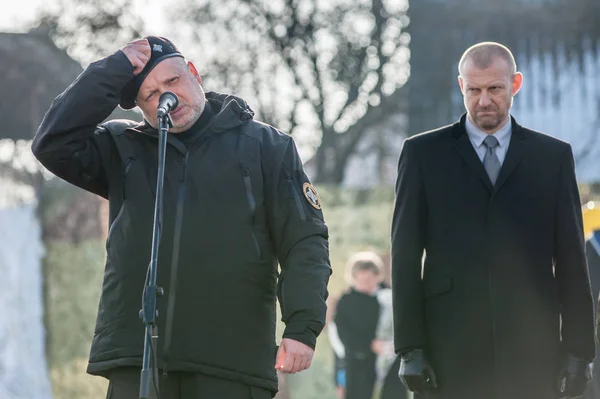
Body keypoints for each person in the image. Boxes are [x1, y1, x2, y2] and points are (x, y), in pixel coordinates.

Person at [32, 36, 331, 399]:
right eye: (150, 95)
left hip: (230, 363)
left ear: (193, 73)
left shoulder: (266, 146)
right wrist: (111, 70)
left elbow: (304, 241)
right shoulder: (123, 145)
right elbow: (52, 143)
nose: (165, 99)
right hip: (138, 358)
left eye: (172, 82)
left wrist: (302, 326)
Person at [391, 41, 595, 399]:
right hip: (449, 352)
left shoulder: (553, 157)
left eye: (494, 89)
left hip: (533, 351)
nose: (483, 101)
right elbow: (404, 256)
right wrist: (410, 349)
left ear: (515, 84)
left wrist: (580, 351)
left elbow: (571, 260)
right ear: (461, 86)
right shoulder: (422, 154)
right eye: (474, 90)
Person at [334, 251, 383, 399]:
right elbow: (343, 334)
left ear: (377, 276)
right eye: (363, 280)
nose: (366, 284)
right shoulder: (346, 302)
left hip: (386, 362)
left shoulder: (386, 297)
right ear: (354, 278)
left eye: (370, 279)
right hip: (357, 363)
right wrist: (369, 345)